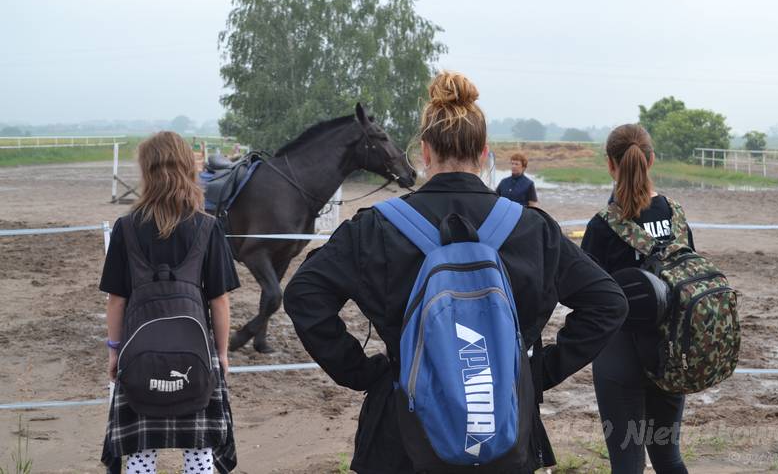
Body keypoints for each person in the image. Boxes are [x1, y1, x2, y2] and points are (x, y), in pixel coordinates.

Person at [284, 71, 628, 474]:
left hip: (400, 432)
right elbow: (608, 302)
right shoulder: (532, 229)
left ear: (425, 152)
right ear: (484, 154)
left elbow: (304, 293)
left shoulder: (374, 227)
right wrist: (535, 373)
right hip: (505, 432)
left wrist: (360, 372)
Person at [100, 131, 239, 474]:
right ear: (186, 168)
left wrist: (115, 350)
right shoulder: (208, 227)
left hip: (138, 354)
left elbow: (117, 300)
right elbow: (219, 301)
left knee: (140, 451)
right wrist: (220, 355)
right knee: (199, 453)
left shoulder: (126, 227)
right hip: (196, 357)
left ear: (147, 171)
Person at [581, 124, 693, 474]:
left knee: (628, 465)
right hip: (670, 353)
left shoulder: (601, 226)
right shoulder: (675, 216)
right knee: (668, 457)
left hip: (620, 357)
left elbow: (586, 299)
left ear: (610, 164)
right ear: (652, 160)